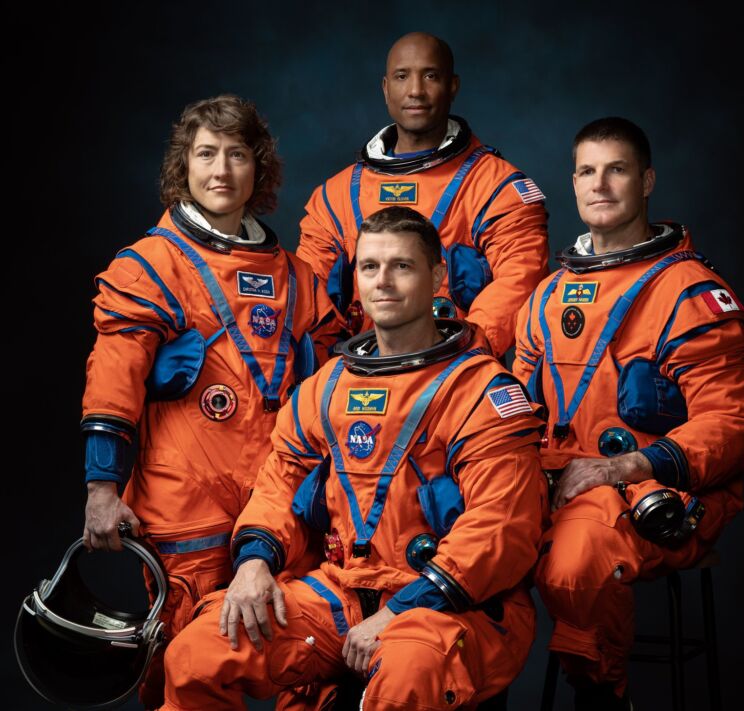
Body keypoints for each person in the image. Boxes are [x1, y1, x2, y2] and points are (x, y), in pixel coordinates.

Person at [159, 206, 547, 710]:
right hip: (341, 592)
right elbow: (279, 486)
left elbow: (502, 528)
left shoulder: (482, 391)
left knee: (407, 674)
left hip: (454, 602)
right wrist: (254, 562)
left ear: (437, 277)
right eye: (369, 267)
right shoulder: (324, 389)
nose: (382, 282)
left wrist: (401, 610)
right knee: (197, 652)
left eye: (402, 267)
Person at [80, 94, 341, 706]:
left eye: (236, 154)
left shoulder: (297, 278)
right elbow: (112, 378)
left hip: (284, 510)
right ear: (184, 167)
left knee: (298, 666)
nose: (221, 170)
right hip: (187, 515)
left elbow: (333, 396)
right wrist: (101, 487)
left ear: (260, 168)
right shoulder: (151, 266)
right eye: (205, 154)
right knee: (183, 670)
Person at [513, 117, 744, 709]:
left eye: (616, 170)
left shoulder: (690, 293)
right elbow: (515, 415)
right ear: (573, 183)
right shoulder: (546, 296)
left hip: (655, 490)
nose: (601, 184)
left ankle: (601, 695)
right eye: (588, 171)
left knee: (575, 562)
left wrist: (622, 470)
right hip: (555, 481)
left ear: (646, 180)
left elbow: (730, 426)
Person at [297, 32, 549, 357]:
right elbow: (307, 296)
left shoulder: (496, 187)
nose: (415, 91)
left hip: (454, 378)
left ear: (452, 86)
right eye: (402, 77)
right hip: (357, 379)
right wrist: (332, 373)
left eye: (430, 76)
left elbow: (519, 281)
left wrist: (458, 359)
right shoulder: (336, 197)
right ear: (386, 88)